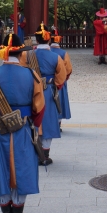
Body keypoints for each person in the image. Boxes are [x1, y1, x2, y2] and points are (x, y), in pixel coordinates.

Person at [0, 34, 45, 213]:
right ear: (20, 53)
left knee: (0, 165)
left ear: (3, 52)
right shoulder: (31, 75)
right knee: (22, 165)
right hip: (22, 127)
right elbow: (39, 107)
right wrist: (34, 126)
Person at [30, 24, 67, 165]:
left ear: (36, 40)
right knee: (48, 120)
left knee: (32, 120)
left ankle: (34, 152)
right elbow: (61, 77)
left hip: (31, 91)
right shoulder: (55, 56)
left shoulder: (28, 55)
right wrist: (54, 86)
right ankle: (45, 154)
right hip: (48, 90)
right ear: (49, 40)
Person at [50, 30, 73, 131]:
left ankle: (49, 123)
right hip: (60, 82)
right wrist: (63, 79)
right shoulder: (63, 53)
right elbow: (68, 69)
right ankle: (58, 123)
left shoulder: (47, 52)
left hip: (46, 82)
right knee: (60, 101)